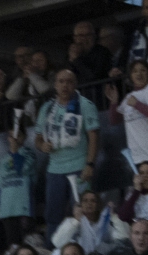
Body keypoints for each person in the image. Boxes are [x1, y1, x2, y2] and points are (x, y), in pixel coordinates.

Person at [34, 69, 101, 230]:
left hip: (79, 168)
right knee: (53, 216)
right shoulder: (47, 108)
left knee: (83, 213)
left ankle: (84, 245)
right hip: (54, 169)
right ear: (55, 85)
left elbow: (94, 137)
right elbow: (38, 138)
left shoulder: (85, 105)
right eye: (61, 81)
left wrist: (90, 164)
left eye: (69, 82)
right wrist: (42, 145)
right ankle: (53, 245)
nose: (65, 85)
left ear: (75, 84)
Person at [108, 59, 148, 183]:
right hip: (138, 157)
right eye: (135, 71)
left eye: (143, 70)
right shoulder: (128, 97)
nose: (139, 74)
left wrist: (137, 104)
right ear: (130, 76)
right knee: (146, 192)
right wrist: (114, 102)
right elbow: (115, 120)